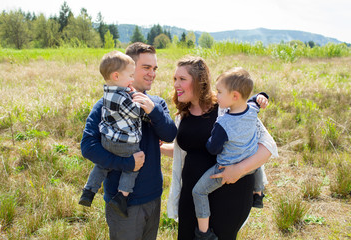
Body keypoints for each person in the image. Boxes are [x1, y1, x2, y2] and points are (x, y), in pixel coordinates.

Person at [162, 56, 278, 240]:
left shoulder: (227, 108)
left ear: (200, 82)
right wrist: (158, 148)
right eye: (175, 79)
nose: (176, 84)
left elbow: (268, 146)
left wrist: (239, 169)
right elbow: (185, 151)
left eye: (182, 79)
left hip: (229, 193)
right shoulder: (183, 114)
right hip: (193, 197)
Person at [80, 42, 177, 240]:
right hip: (122, 202)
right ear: (128, 68)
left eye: (155, 68)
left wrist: (152, 110)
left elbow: (169, 134)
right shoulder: (106, 105)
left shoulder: (157, 103)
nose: (152, 73)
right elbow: (88, 147)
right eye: (146, 68)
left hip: (153, 196)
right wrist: (126, 163)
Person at [191, 67, 264, 239]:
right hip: (251, 164)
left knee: (199, 192)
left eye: (220, 92)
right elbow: (255, 100)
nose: (216, 95)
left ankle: (203, 233)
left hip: (225, 169)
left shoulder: (223, 123)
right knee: (257, 161)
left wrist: (209, 139)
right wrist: (263, 95)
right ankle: (258, 193)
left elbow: (213, 148)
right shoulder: (253, 109)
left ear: (235, 96)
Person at [79, 51, 146, 218]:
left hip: (107, 141)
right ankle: (121, 197)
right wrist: (141, 102)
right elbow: (137, 112)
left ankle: (89, 191)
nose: (132, 79)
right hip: (125, 144)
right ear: (116, 76)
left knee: (102, 165)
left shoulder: (107, 93)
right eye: (130, 75)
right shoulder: (122, 97)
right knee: (132, 169)